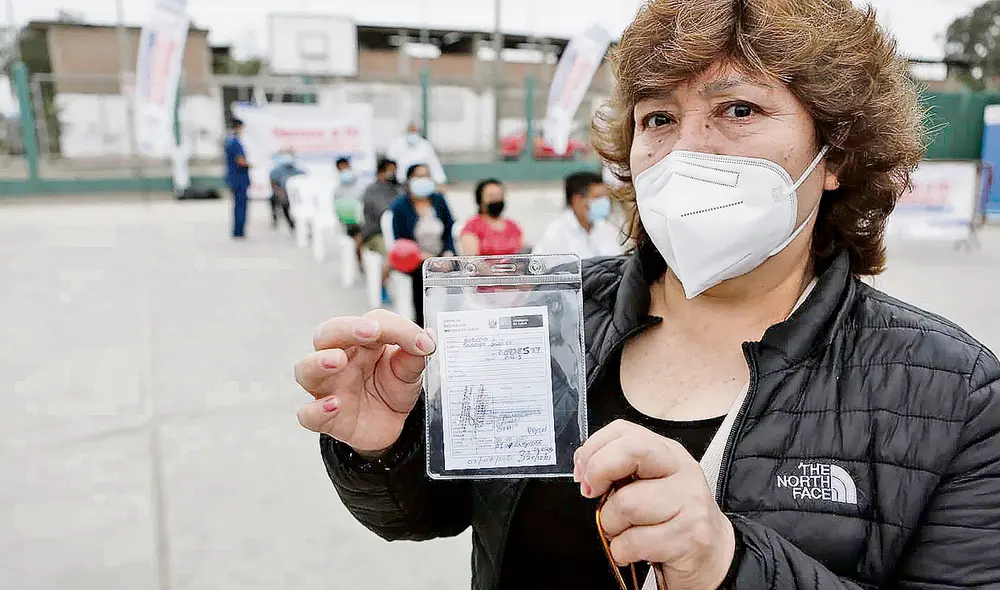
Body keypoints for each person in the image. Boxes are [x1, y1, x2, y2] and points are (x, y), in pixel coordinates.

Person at [294, 0, 1000, 589]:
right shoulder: (543, 314)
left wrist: (728, 565)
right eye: (658, 118)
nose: (686, 151)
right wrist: (390, 444)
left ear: (836, 155)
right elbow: (437, 509)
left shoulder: (956, 398)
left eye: (739, 108)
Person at [389, 163, 455, 326]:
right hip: (414, 258)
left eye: (426, 175)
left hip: (441, 254)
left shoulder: (439, 201)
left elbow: (449, 228)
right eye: (419, 176)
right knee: (422, 276)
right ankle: (421, 324)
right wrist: (424, 257)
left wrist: (448, 252)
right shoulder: (400, 206)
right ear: (409, 180)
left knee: (458, 271)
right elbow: (400, 240)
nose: (423, 180)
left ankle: (451, 322)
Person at [532, 171, 622, 258]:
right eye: (597, 197)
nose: (605, 202)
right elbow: (539, 267)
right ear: (577, 200)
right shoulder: (556, 233)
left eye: (605, 197)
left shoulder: (607, 228)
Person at [360, 158, 400, 305]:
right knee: (392, 254)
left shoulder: (396, 188)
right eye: (390, 170)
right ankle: (381, 284)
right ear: (381, 171)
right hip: (375, 234)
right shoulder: (372, 191)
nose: (393, 174)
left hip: (396, 233)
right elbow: (383, 211)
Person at [459, 178, 524, 256]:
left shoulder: (513, 226)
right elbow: (473, 260)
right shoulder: (472, 226)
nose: (496, 199)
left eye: (499, 195)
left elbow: (524, 252)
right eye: (491, 196)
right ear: (480, 200)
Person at [334, 157, 365, 271]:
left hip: (365, 221)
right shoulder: (338, 190)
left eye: (346, 167)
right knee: (357, 238)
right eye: (341, 169)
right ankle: (360, 263)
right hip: (351, 224)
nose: (344, 171)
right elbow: (337, 211)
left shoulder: (362, 185)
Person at [224, 119, 251, 239]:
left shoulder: (229, 141)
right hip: (239, 180)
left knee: (237, 206)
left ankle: (237, 231)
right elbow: (240, 160)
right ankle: (239, 231)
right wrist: (251, 164)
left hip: (234, 178)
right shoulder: (235, 143)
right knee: (240, 206)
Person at [268, 147, 301, 232]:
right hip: (282, 193)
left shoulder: (299, 171)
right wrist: (281, 193)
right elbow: (273, 184)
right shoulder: (275, 171)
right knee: (281, 201)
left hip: (296, 195)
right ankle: (289, 223)